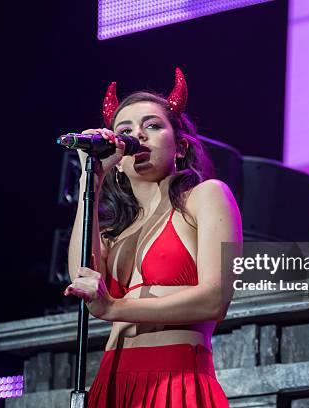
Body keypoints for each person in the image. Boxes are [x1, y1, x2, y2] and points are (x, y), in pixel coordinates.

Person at [65, 68, 242, 407]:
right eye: (126, 131)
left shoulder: (205, 197)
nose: (138, 136)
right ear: (117, 160)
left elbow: (215, 300)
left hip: (175, 383)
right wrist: (91, 178)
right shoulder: (113, 232)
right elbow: (81, 280)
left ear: (180, 147)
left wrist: (115, 306)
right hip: (112, 386)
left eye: (152, 126)